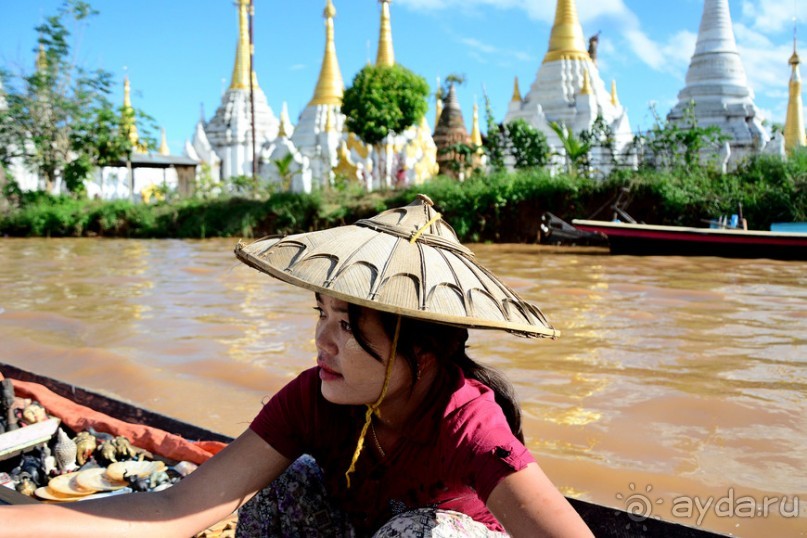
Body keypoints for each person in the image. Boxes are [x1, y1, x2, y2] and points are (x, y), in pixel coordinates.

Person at [3, 195, 593, 537]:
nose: (321, 340)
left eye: (348, 325)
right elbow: (172, 509)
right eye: (322, 314)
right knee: (290, 483)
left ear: (421, 356)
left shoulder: (467, 420)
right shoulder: (315, 397)